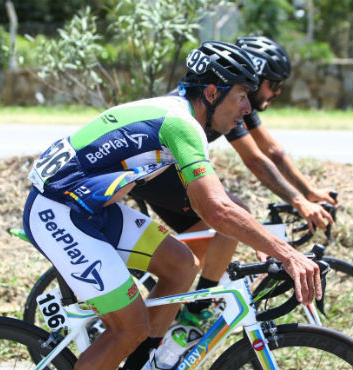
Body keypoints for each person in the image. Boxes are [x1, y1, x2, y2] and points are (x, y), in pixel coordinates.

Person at [23, 41, 322, 370]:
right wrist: (287, 252)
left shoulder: (179, 112)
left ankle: (141, 365)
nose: (247, 109)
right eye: (241, 96)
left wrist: (268, 240)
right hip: (59, 211)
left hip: (90, 206)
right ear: (211, 93)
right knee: (129, 328)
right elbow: (215, 210)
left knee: (181, 265)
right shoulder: (182, 124)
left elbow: (211, 206)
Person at [129, 36, 335, 320]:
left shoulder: (235, 103)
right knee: (233, 213)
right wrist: (300, 201)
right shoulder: (227, 101)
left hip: (163, 172)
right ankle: (196, 313)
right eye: (273, 84)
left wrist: (309, 194)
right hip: (154, 172)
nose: (276, 93)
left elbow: (272, 150)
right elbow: (256, 160)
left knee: (198, 253)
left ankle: (175, 312)